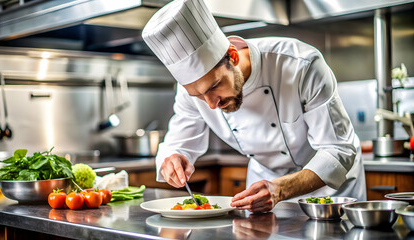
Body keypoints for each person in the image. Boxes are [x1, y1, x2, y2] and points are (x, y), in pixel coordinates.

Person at [142, 0, 366, 213]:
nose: (211, 104)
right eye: (198, 95)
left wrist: (281, 189)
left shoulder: (300, 64)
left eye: (215, 86)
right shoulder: (191, 91)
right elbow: (178, 144)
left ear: (232, 55)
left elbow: (338, 149)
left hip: (329, 189)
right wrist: (173, 158)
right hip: (263, 190)